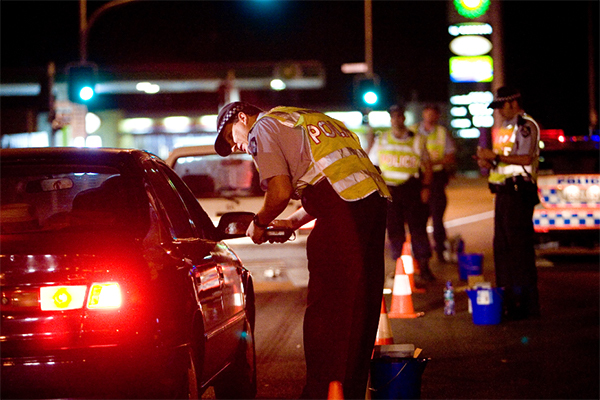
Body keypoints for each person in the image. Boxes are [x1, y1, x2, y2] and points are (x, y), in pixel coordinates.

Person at [214, 101, 391, 399]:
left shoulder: (263, 127)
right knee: (361, 304)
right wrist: (294, 221)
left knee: (328, 306)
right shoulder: (309, 118)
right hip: (371, 203)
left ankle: (323, 391)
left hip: (343, 211)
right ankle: (348, 389)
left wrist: (259, 222)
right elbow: (329, 179)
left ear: (242, 117)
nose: (236, 146)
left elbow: (281, 191)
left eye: (233, 137)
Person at [475, 86, 541, 320]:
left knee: (519, 249)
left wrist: (496, 158)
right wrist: (488, 161)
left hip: (519, 192)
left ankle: (526, 302)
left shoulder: (526, 125)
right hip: (504, 193)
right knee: (502, 247)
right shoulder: (505, 128)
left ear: (513, 103)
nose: (499, 112)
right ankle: (509, 298)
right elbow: (502, 161)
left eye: (501, 106)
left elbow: (525, 158)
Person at [369, 104, 435, 282]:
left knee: (418, 228)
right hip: (390, 191)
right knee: (394, 230)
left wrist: (426, 188)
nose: (397, 119)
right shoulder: (382, 139)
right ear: (390, 119)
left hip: (411, 188)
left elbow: (427, 166)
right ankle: (399, 267)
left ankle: (424, 267)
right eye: (393, 116)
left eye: (399, 116)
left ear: (404, 118)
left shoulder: (417, 140)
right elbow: (372, 166)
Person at [410, 104, 456, 262]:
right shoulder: (413, 131)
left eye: (433, 114)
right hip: (417, 177)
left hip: (436, 178)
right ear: (423, 114)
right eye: (427, 113)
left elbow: (450, 156)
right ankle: (419, 253)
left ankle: (440, 251)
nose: (430, 117)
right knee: (417, 217)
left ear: (437, 116)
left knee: (437, 217)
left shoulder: (442, 133)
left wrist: (432, 162)